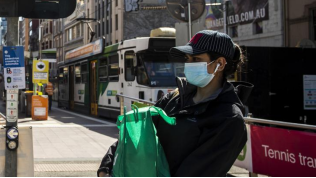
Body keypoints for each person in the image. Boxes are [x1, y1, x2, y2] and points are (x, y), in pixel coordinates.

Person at [98, 31, 248, 177]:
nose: (188, 64)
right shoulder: (174, 98)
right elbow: (135, 133)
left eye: (195, 59)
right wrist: (106, 167)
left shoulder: (229, 119)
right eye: (187, 58)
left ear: (220, 64)